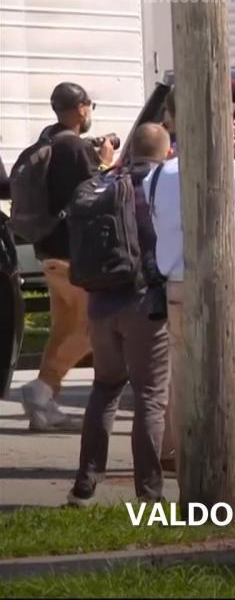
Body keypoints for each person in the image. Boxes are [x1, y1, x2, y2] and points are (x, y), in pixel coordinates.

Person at [151, 92, 235, 471]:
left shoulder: (161, 174)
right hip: (231, 289)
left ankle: (174, 453)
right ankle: (228, 462)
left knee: (182, 370)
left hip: (177, 285)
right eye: (228, 116)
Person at [67, 124, 171, 506]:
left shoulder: (106, 181)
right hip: (143, 302)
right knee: (150, 396)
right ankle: (149, 494)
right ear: (164, 152)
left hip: (99, 301)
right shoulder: (162, 183)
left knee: (105, 388)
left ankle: (85, 484)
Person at [18, 83, 114, 432]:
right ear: (82, 108)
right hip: (72, 255)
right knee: (90, 328)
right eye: (89, 105)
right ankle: (42, 388)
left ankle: (45, 405)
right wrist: (104, 165)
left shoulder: (48, 139)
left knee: (64, 328)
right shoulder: (73, 146)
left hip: (48, 251)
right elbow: (95, 195)